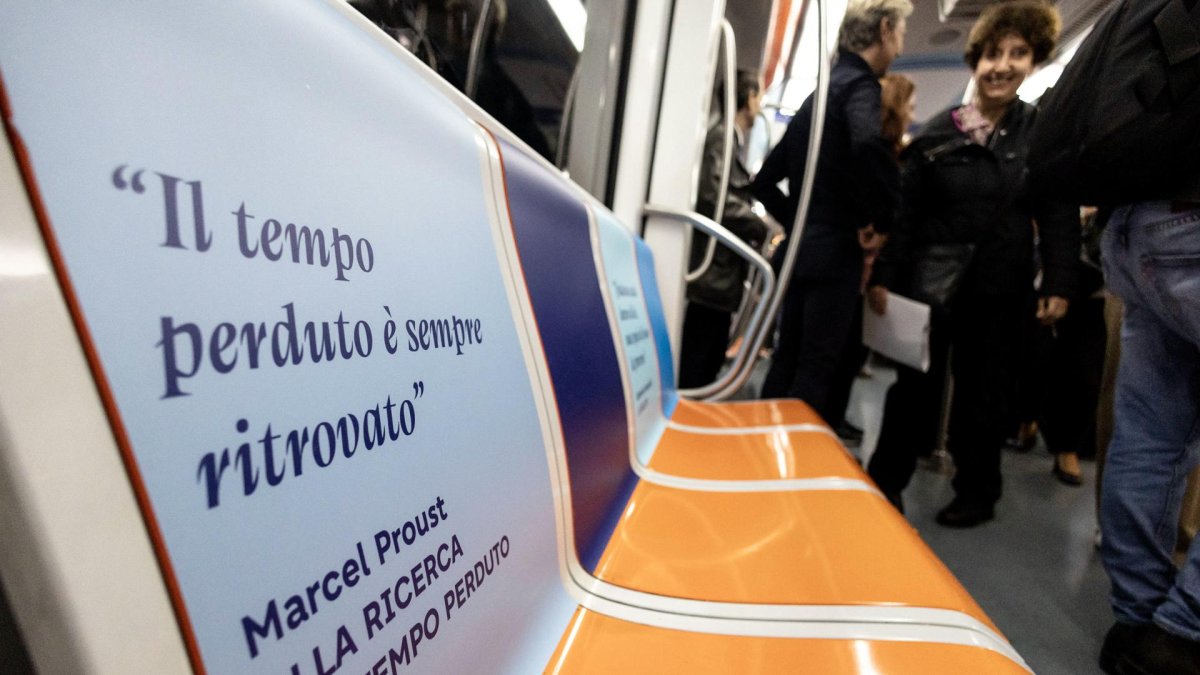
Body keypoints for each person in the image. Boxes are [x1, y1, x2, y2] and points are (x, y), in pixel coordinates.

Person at [1027, 0, 1200, 667]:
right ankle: (1183, 630)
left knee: (1151, 434)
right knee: (1152, 434)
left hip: (1139, 228)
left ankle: (1136, 623)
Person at [864, 0, 1077, 527]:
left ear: (1035, 61)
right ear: (975, 61)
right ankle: (882, 483)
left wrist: (1060, 277)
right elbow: (905, 215)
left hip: (1001, 286)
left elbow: (1056, 210)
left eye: (1017, 54)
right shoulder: (939, 132)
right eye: (992, 54)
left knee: (987, 395)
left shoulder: (1039, 133)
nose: (1002, 65)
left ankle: (978, 492)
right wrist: (886, 277)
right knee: (914, 388)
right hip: (931, 284)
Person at [751, 0, 910, 423]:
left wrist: (800, 224)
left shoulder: (816, 97)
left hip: (799, 253)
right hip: (835, 254)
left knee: (785, 359)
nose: (900, 45)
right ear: (885, 29)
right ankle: (794, 474)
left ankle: (758, 453)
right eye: (901, 34)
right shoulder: (861, 87)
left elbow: (764, 181)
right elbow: (865, 144)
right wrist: (880, 219)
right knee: (817, 367)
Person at [827, 72, 916, 441]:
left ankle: (833, 415)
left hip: (862, 267)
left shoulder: (885, 153)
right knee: (843, 351)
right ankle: (828, 420)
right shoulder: (879, 154)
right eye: (909, 104)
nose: (913, 112)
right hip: (861, 267)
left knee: (849, 352)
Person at [678, 70, 772, 387]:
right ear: (747, 98)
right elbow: (712, 194)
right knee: (699, 359)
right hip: (712, 271)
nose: (760, 104)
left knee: (709, 352)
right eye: (758, 95)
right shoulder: (722, 138)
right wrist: (755, 223)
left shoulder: (729, 140)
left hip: (719, 270)